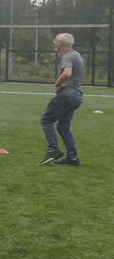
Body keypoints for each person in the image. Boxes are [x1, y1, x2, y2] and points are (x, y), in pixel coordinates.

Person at [39, 33, 85, 166]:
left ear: (62, 44)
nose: (54, 43)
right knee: (63, 127)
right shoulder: (77, 55)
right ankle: (73, 158)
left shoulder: (67, 56)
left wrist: (57, 84)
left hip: (66, 95)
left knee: (46, 120)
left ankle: (53, 150)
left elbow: (67, 73)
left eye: (56, 41)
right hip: (76, 96)